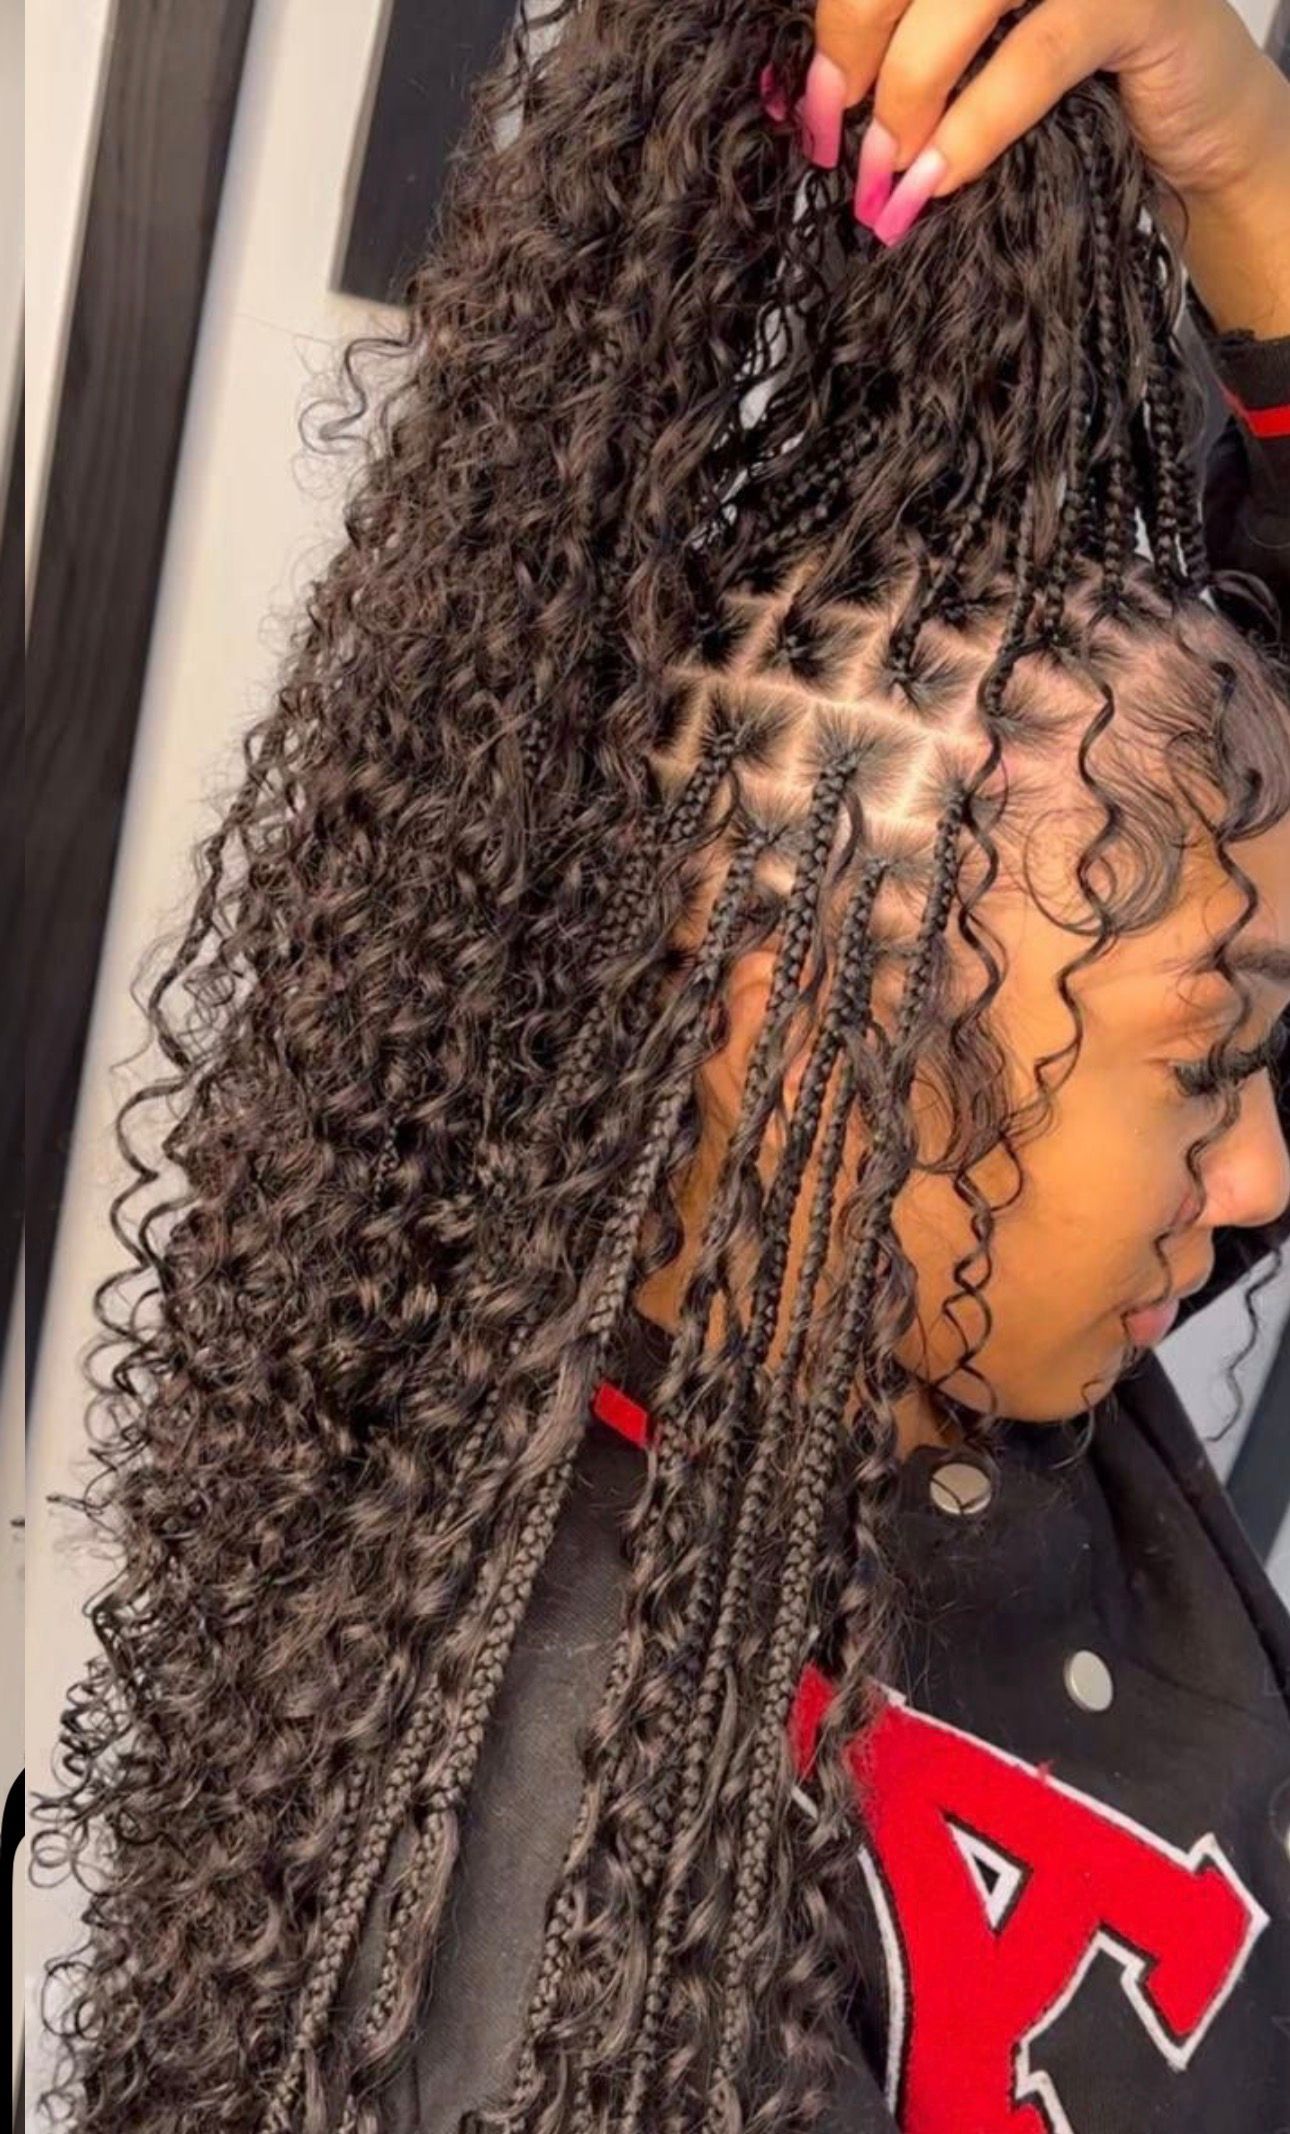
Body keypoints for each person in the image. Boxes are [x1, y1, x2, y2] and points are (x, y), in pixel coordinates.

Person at [30, 5, 1290, 2133]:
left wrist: (1245, 164)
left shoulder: (991, 1302)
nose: (1261, 1173)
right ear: (823, 1058)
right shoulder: (573, 1861)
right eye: (1211, 1067)